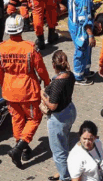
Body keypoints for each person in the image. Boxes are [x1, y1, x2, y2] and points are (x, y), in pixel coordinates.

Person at [0, 14, 51, 169]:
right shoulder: (30, 47)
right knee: (34, 119)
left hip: (9, 91)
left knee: (17, 120)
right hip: (28, 91)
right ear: (21, 29)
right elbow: (41, 69)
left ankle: (24, 150)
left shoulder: (0, 48)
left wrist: (4, 85)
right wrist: (47, 83)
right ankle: (19, 149)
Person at [45, 51, 78, 181]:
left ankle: (65, 177)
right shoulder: (71, 75)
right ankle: (63, 170)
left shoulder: (57, 83)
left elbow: (53, 106)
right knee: (64, 144)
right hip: (70, 110)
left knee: (59, 152)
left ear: (54, 65)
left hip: (59, 118)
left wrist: (42, 95)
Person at [68, 0, 97, 84]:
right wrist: (90, 35)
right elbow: (84, 19)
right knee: (81, 51)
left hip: (72, 23)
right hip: (80, 28)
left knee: (87, 49)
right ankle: (78, 77)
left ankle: (85, 70)